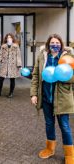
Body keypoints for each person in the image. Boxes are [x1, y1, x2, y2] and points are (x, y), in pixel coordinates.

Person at [30, 34, 74, 164]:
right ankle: (50, 149)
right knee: (49, 124)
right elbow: (35, 76)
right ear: (49, 44)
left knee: (65, 126)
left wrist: (63, 76)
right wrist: (34, 94)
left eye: (57, 42)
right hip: (46, 97)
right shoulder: (42, 57)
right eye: (52, 42)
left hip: (62, 99)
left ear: (61, 44)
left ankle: (70, 155)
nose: (55, 44)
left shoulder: (68, 57)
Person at [0, 33, 22, 98]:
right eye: (8, 37)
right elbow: (0, 55)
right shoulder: (3, 46)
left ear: (12, 38)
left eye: (10, 37)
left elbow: (18, 56)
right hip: (4, 64)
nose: (9, 39)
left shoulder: (16, 46)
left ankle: (11, 93)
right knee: (1, 78)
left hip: (13, 65)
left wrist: (19, 64)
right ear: (6, 39)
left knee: (12, 79)